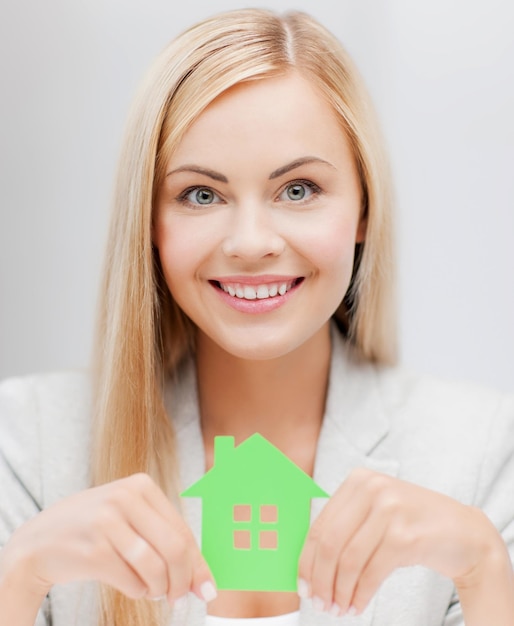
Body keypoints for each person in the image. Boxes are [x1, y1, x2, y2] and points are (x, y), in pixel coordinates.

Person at [0, 7, 513, 626]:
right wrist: (18, 576)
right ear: (150, 225)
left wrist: (487, 573)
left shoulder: (485, 451)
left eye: (297, 189)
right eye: (201, 194)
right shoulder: (26, 445)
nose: (249, 242)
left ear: (363, 211)